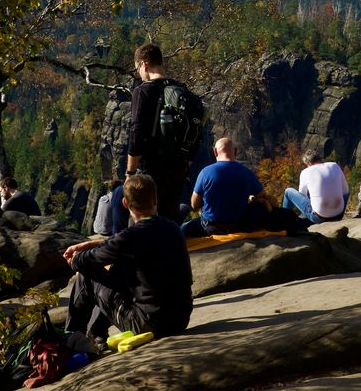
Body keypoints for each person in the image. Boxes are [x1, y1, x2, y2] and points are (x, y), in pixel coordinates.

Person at [63, 174, 193, 343]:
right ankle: (96, 334)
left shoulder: (129, 238)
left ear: (125, 203)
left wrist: (74, 259)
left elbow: (87, 260)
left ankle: (71, 341)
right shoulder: (173, 229)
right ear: (155, 198)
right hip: (179, 320)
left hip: (148, 324)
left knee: (87, 275)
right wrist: (88, 245)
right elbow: (117, 244)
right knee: (121, 268)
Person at [127, 43, 187, 224]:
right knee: (170, 222)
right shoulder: (180, 89)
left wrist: (130, 172)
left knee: (143, 221)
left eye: (138, 68)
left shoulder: (143, 91)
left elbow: (136, 131)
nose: (139, 73)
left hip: (151, 169)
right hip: (177, 168)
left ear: (144, 64)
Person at [181, 138, 279, 238]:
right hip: (238, 227)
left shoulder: (205, 173)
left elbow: (194, 204)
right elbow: (262, 196)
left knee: (183, 228)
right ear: (235, 151)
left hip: (211, 228)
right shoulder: (247, 173)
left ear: (215, 152)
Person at [282, 150, 350, 224]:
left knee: (288, 191)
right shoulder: (334, 165)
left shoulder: (306, 172)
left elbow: (302, 195)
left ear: (309, 163)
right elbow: (346, 191)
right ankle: (333, 210)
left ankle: (284, 221)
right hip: (339, 215)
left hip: (318, 217)